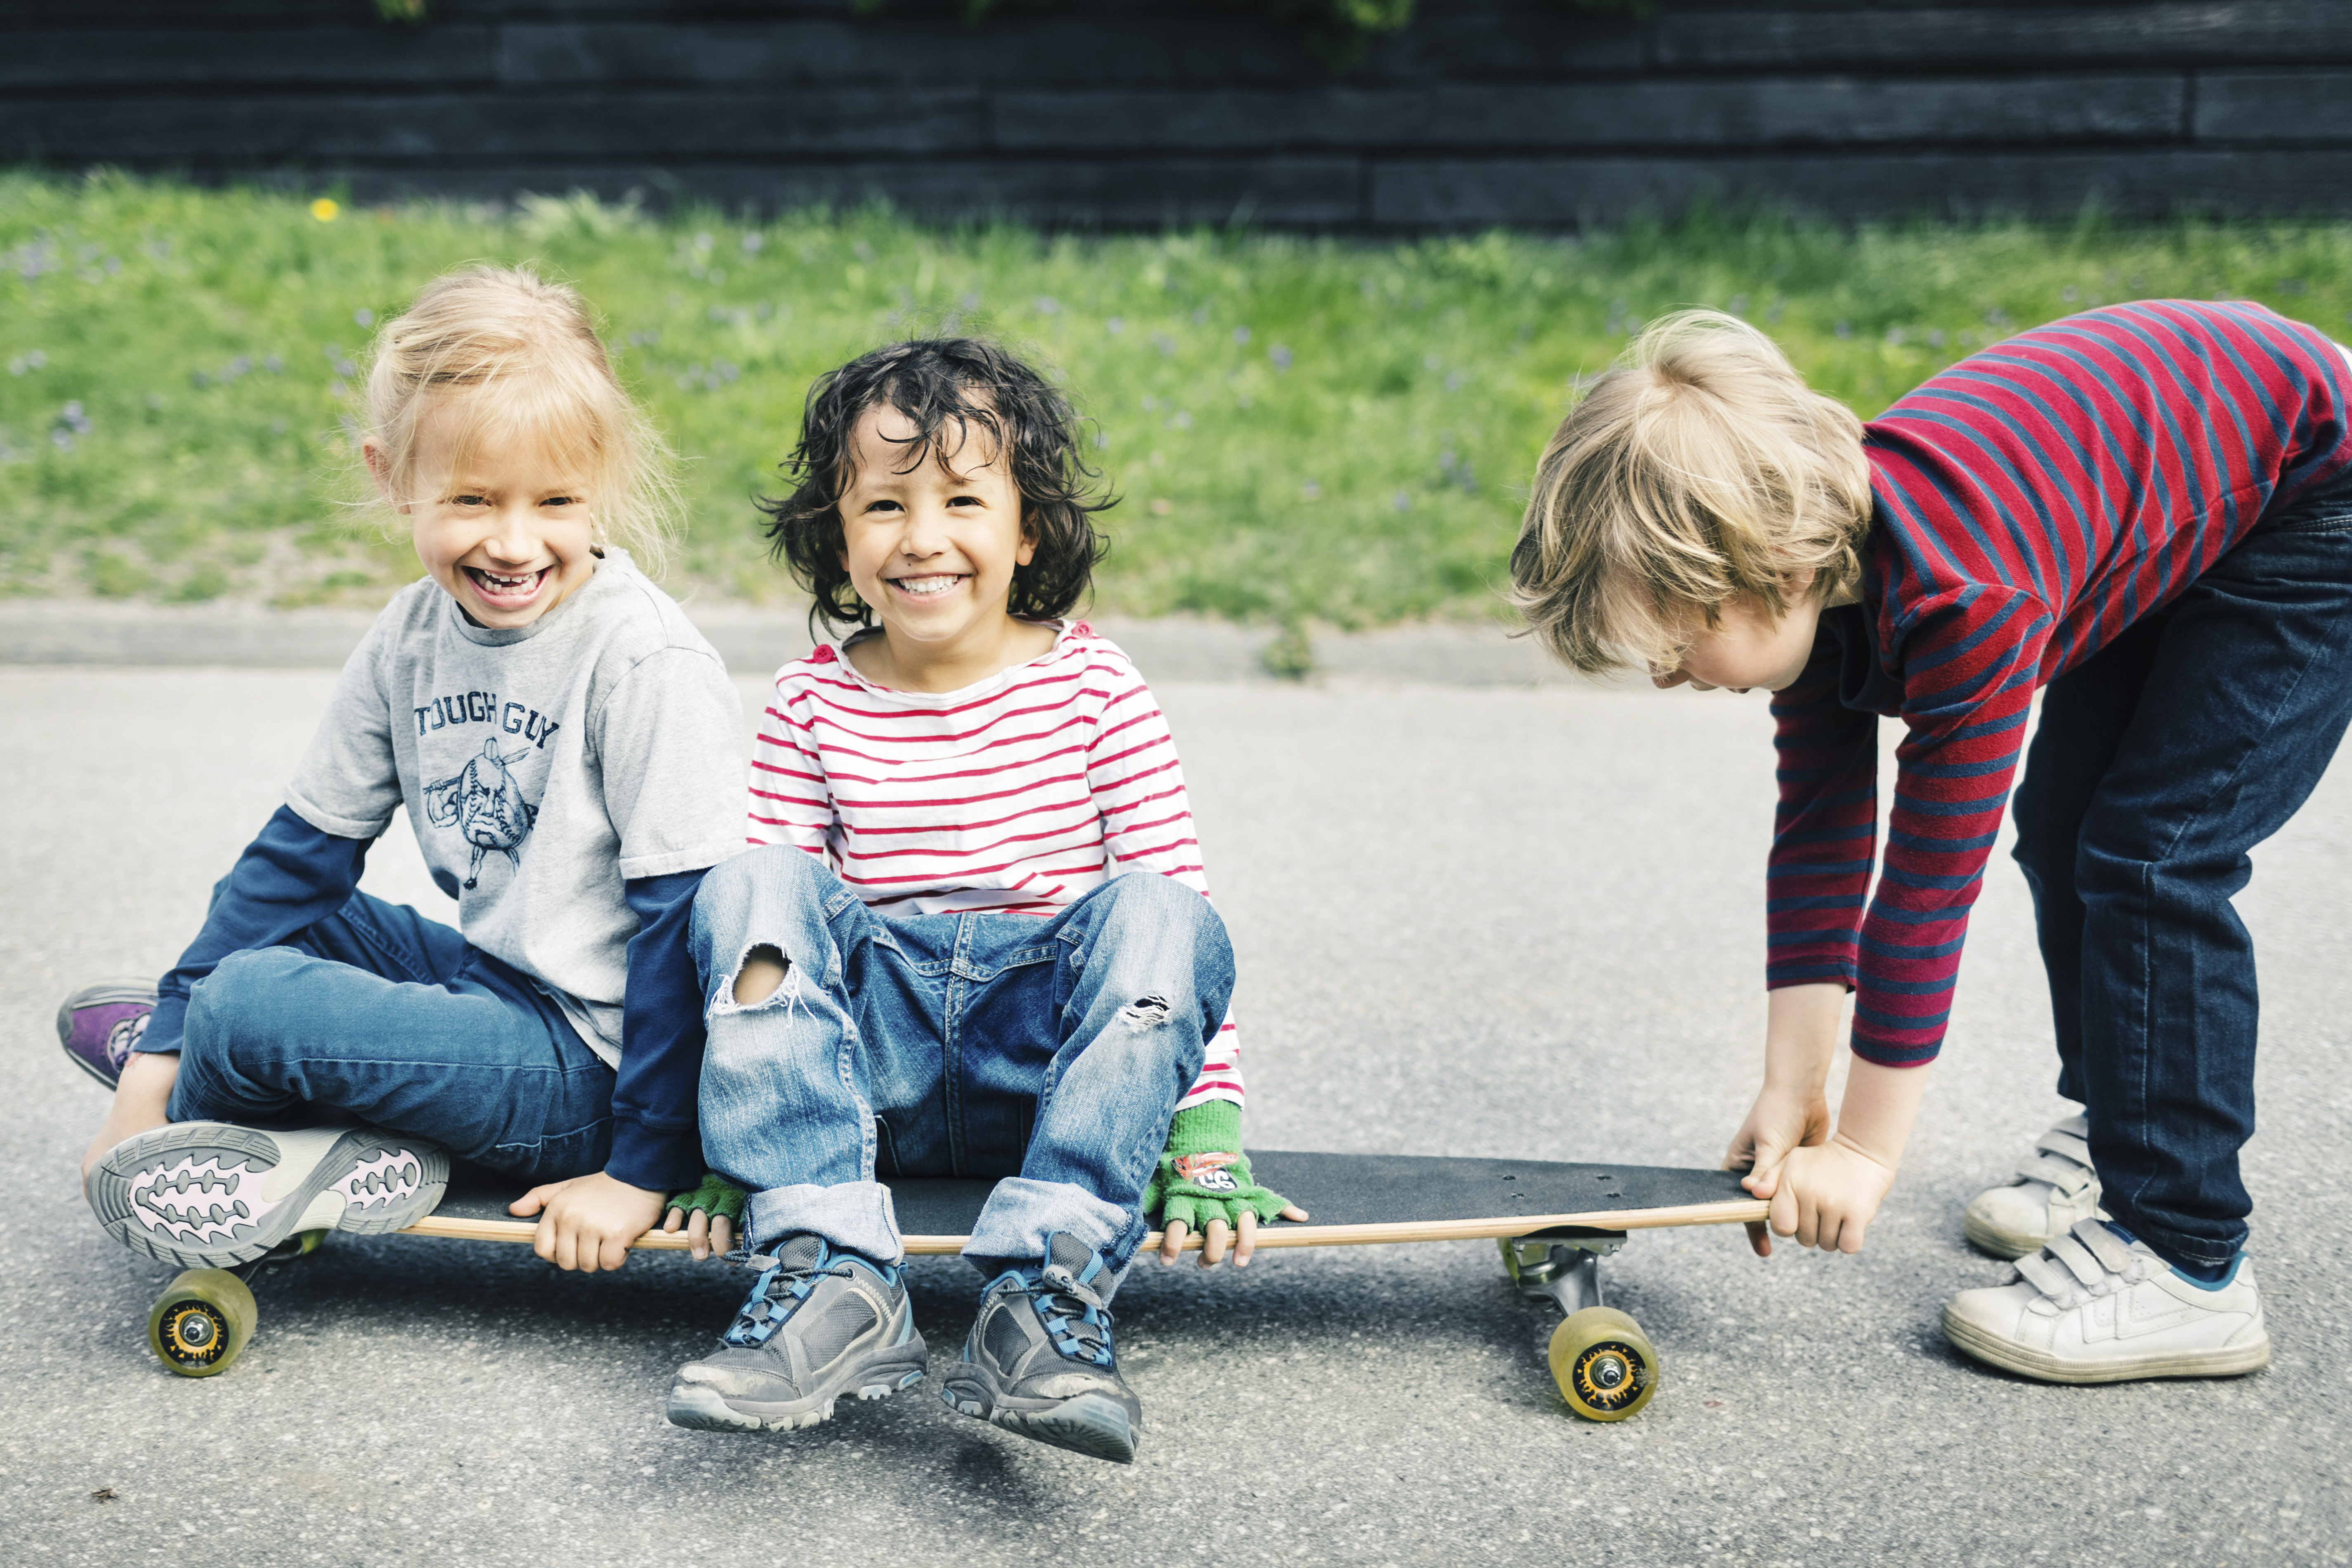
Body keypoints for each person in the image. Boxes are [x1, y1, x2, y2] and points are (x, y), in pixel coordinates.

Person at [1507, 299, 2352, 1385]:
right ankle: (2122, 1134)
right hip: (2185, 485)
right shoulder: (1820, 572)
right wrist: (1790, 1087)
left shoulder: (1967, 597)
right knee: (2062, 832)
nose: (1667, 671)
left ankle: (2187, 1259)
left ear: (1778, 569)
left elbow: (1923, 888)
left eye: (1676, 637)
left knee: (2152, 854)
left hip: (2312, 494)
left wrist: (1861, 1152)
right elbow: (1821, 837)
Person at [661, 338, 1296, 1463]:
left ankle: (1042, 1303)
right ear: (838, 534)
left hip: (1047, 1080)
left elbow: (1178, 938)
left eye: (963, 500)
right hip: (873, 1082)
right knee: (747, 883)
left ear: (1027, 530)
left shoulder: (1096, 686)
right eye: (885, 505)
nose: (923, 538)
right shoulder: (812, 701)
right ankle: (830, 1281)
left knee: (1158, 910)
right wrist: (738, 1143)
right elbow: (765, 949)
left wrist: (1203, 1133)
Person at [58, 264, 743, 1275]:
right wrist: (152, 1069)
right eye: (471, 498)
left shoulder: (644, 661)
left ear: (601, 480)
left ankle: (267, 1118)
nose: (515, 542)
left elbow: (684, 935)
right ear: (391, 476)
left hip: (587, 1075)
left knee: (247, 1002)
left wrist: (641, 1168)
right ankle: (200, 1056)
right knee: (283, 924)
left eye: (556, 499)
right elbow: (298, 859)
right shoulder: (410, 635)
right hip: (495, 990)